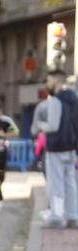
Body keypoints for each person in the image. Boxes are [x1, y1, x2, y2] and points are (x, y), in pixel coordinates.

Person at [33, 70, 78, 228]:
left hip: (56, 146)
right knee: (71, 182)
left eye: (49, 81)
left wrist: (40, 125)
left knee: (56, 183)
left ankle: (57, 217)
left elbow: (52, 126)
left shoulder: (55, 101)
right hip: (71, 147)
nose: (47, 84)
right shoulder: (74, 98)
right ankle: (73, 216)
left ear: (56, 82)